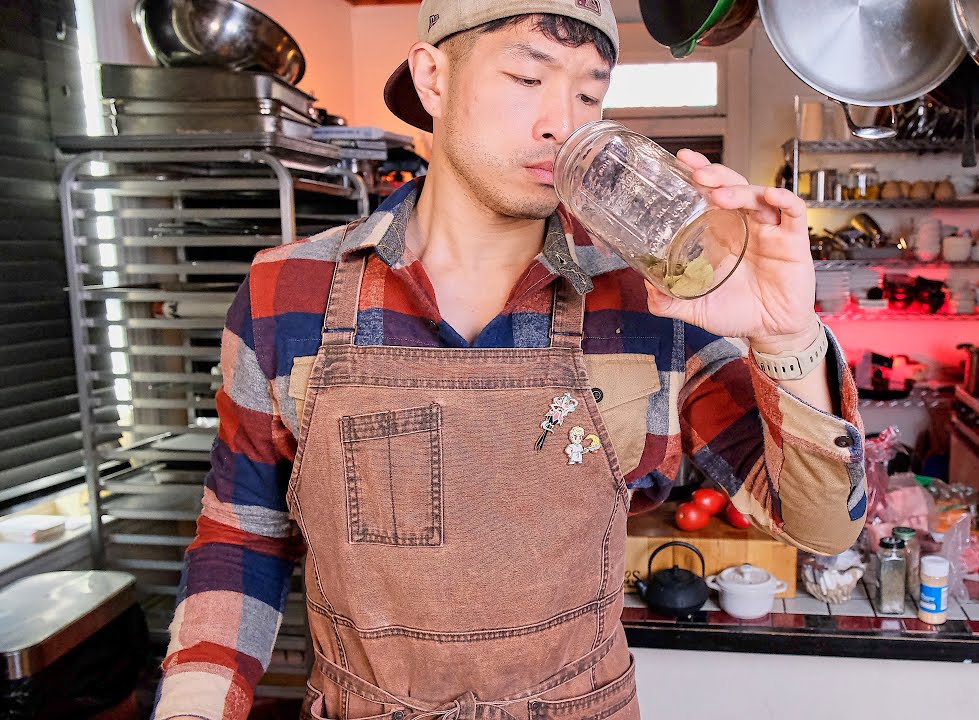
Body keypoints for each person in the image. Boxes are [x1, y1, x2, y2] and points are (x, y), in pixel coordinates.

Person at [153, 1, 868, 718]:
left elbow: (823, 525)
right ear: (432, 78)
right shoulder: (290, 290)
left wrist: (783, 334)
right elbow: (241, 536)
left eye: (589, 95)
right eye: (527, 77)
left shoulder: (652, 299)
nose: (563, 123)